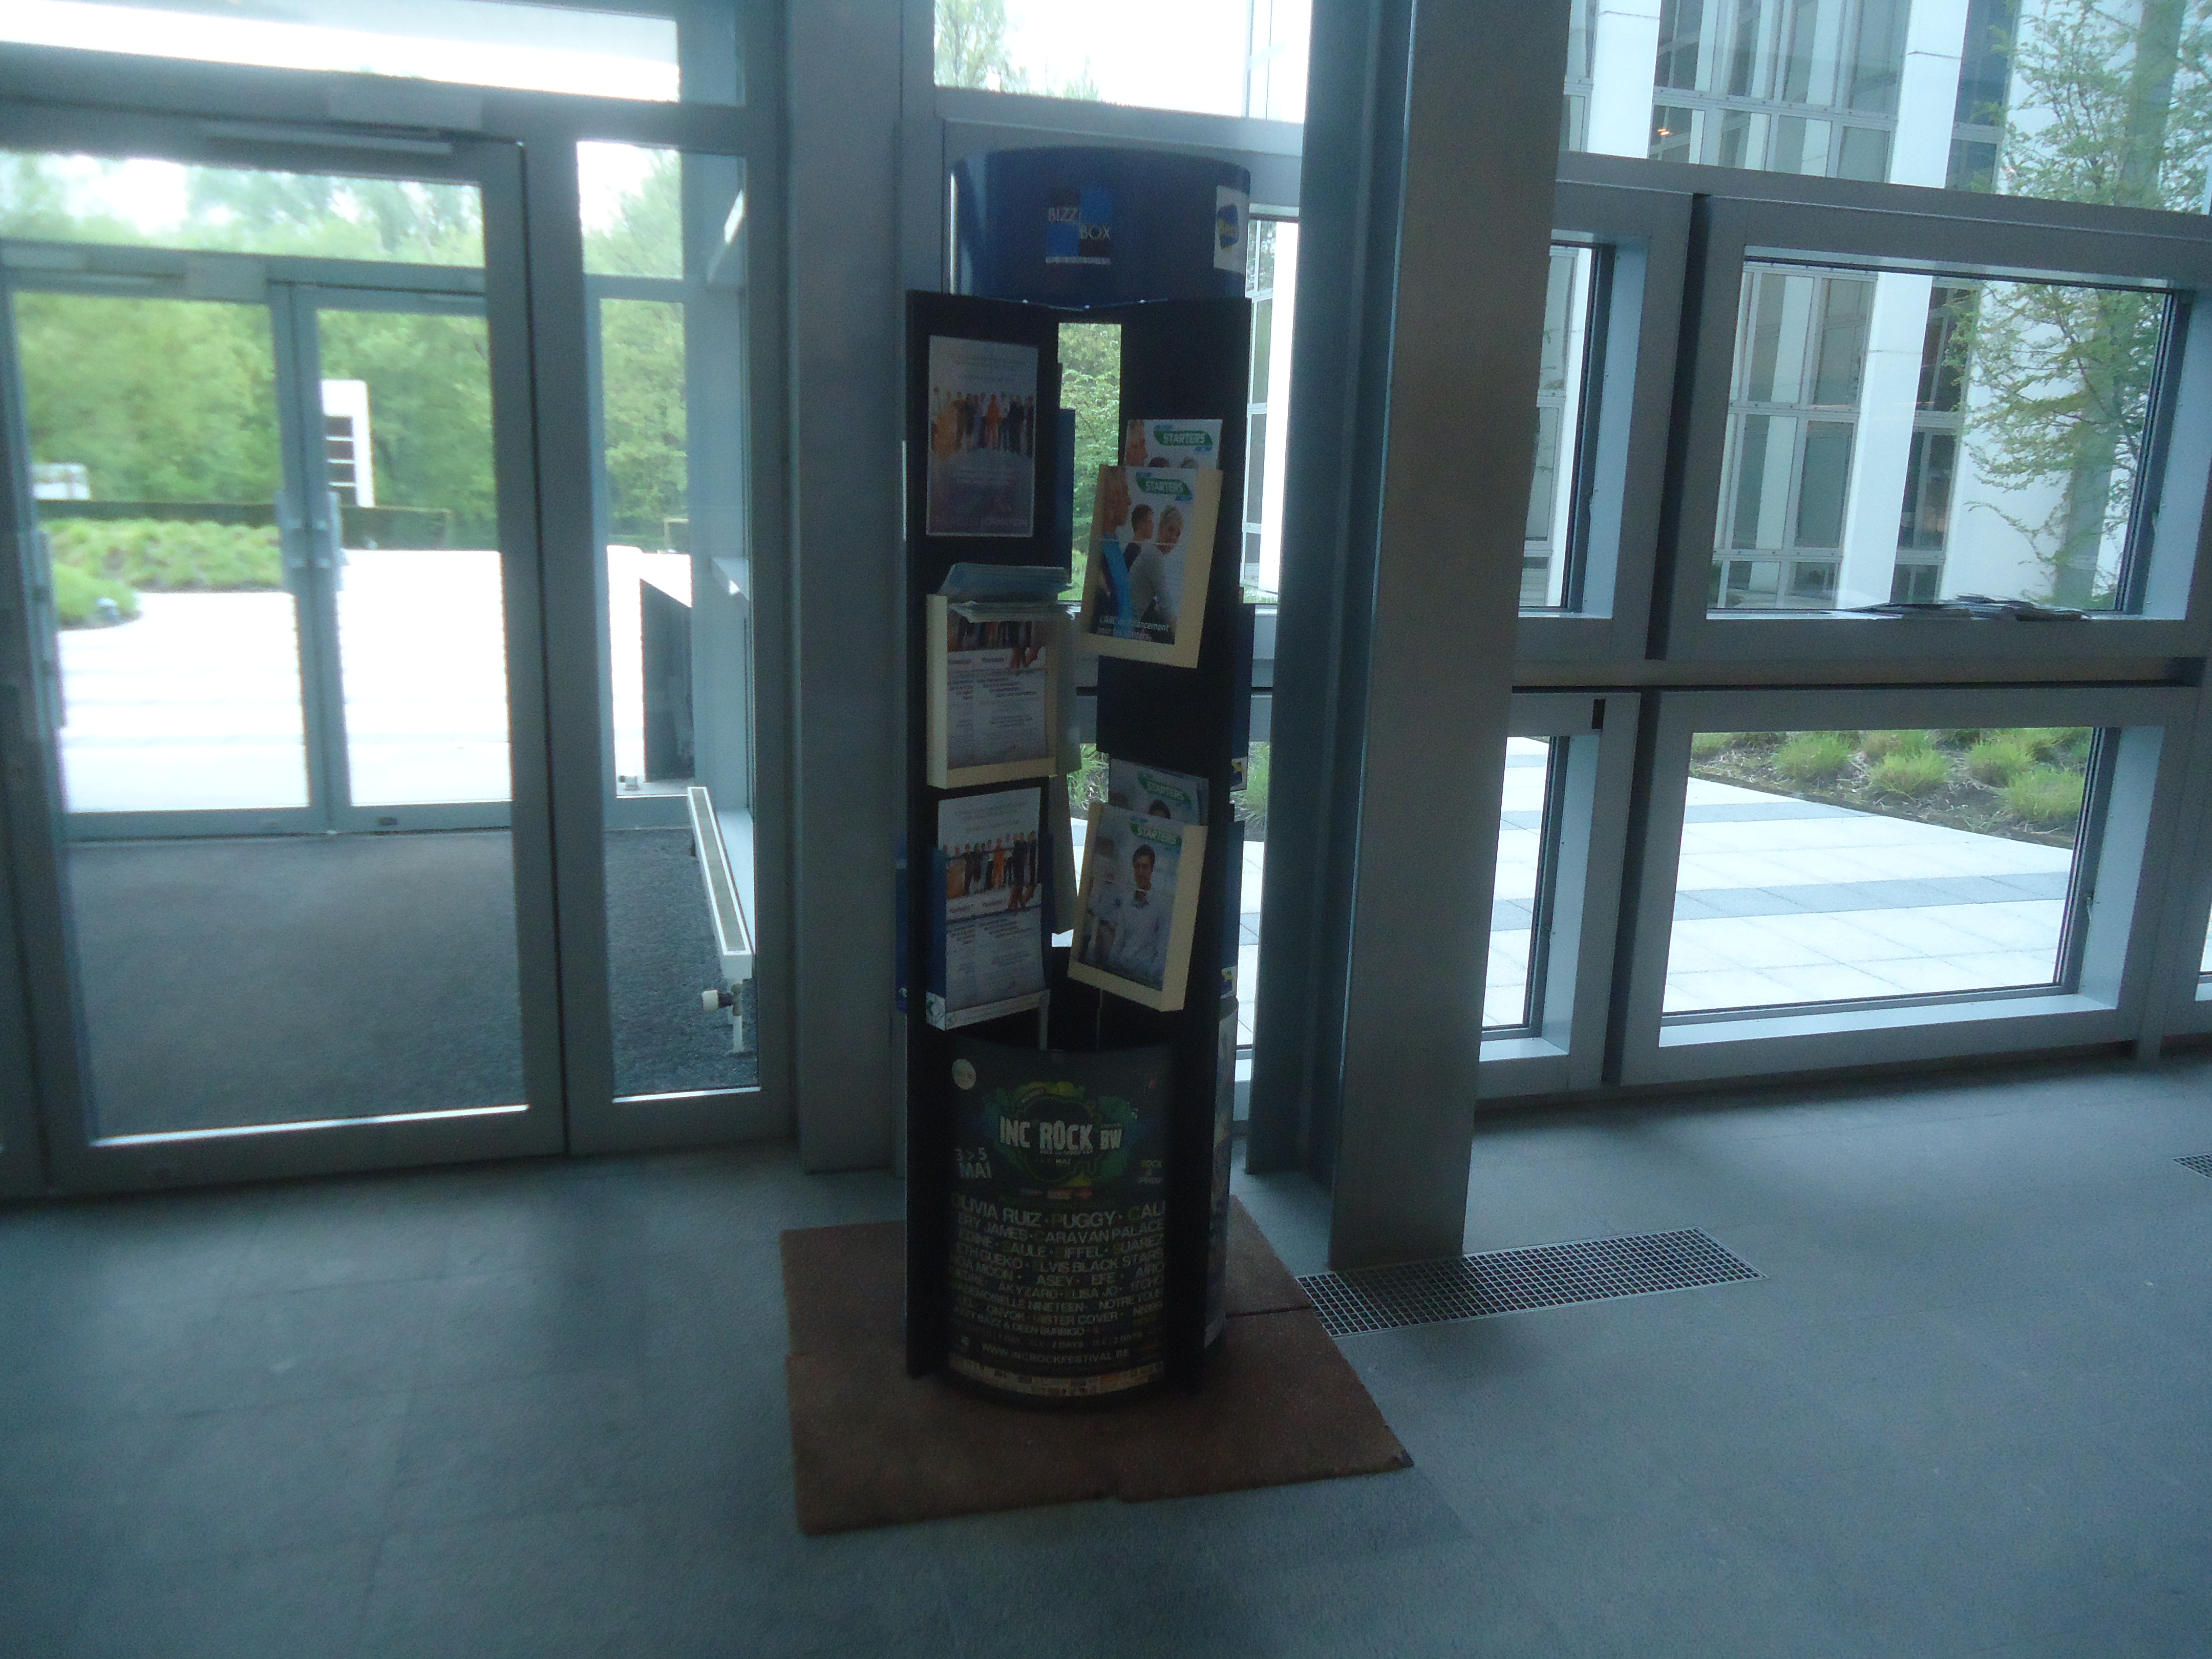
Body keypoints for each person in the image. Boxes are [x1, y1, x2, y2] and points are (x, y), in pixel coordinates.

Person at [1109, 843, 1169, 989]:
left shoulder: (1161, 907)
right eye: (1137, 867)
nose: (1141, 872)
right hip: (1121, 971)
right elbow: (1119, 942)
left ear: (1152, 870)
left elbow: (1162, 951)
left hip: (1143, 978)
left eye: (1145, 867)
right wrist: (1110, 969)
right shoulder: (1126, 903)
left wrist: (1148, 978)